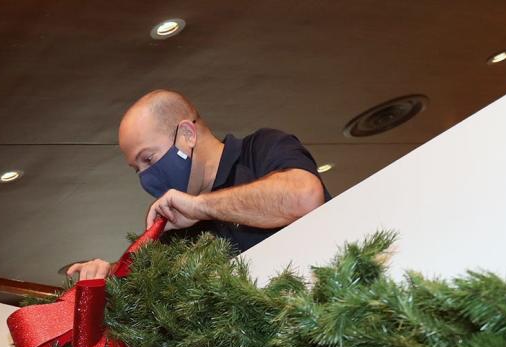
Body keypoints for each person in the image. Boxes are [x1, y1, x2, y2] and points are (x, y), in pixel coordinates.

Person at [67, 90, 329, 281]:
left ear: (187, 135)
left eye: (149, 159)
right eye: (138, 169)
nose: (146, 178)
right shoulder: (173, 229)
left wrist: (201, 206)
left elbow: (305, 197)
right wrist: (107, 275)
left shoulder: (261, 149)